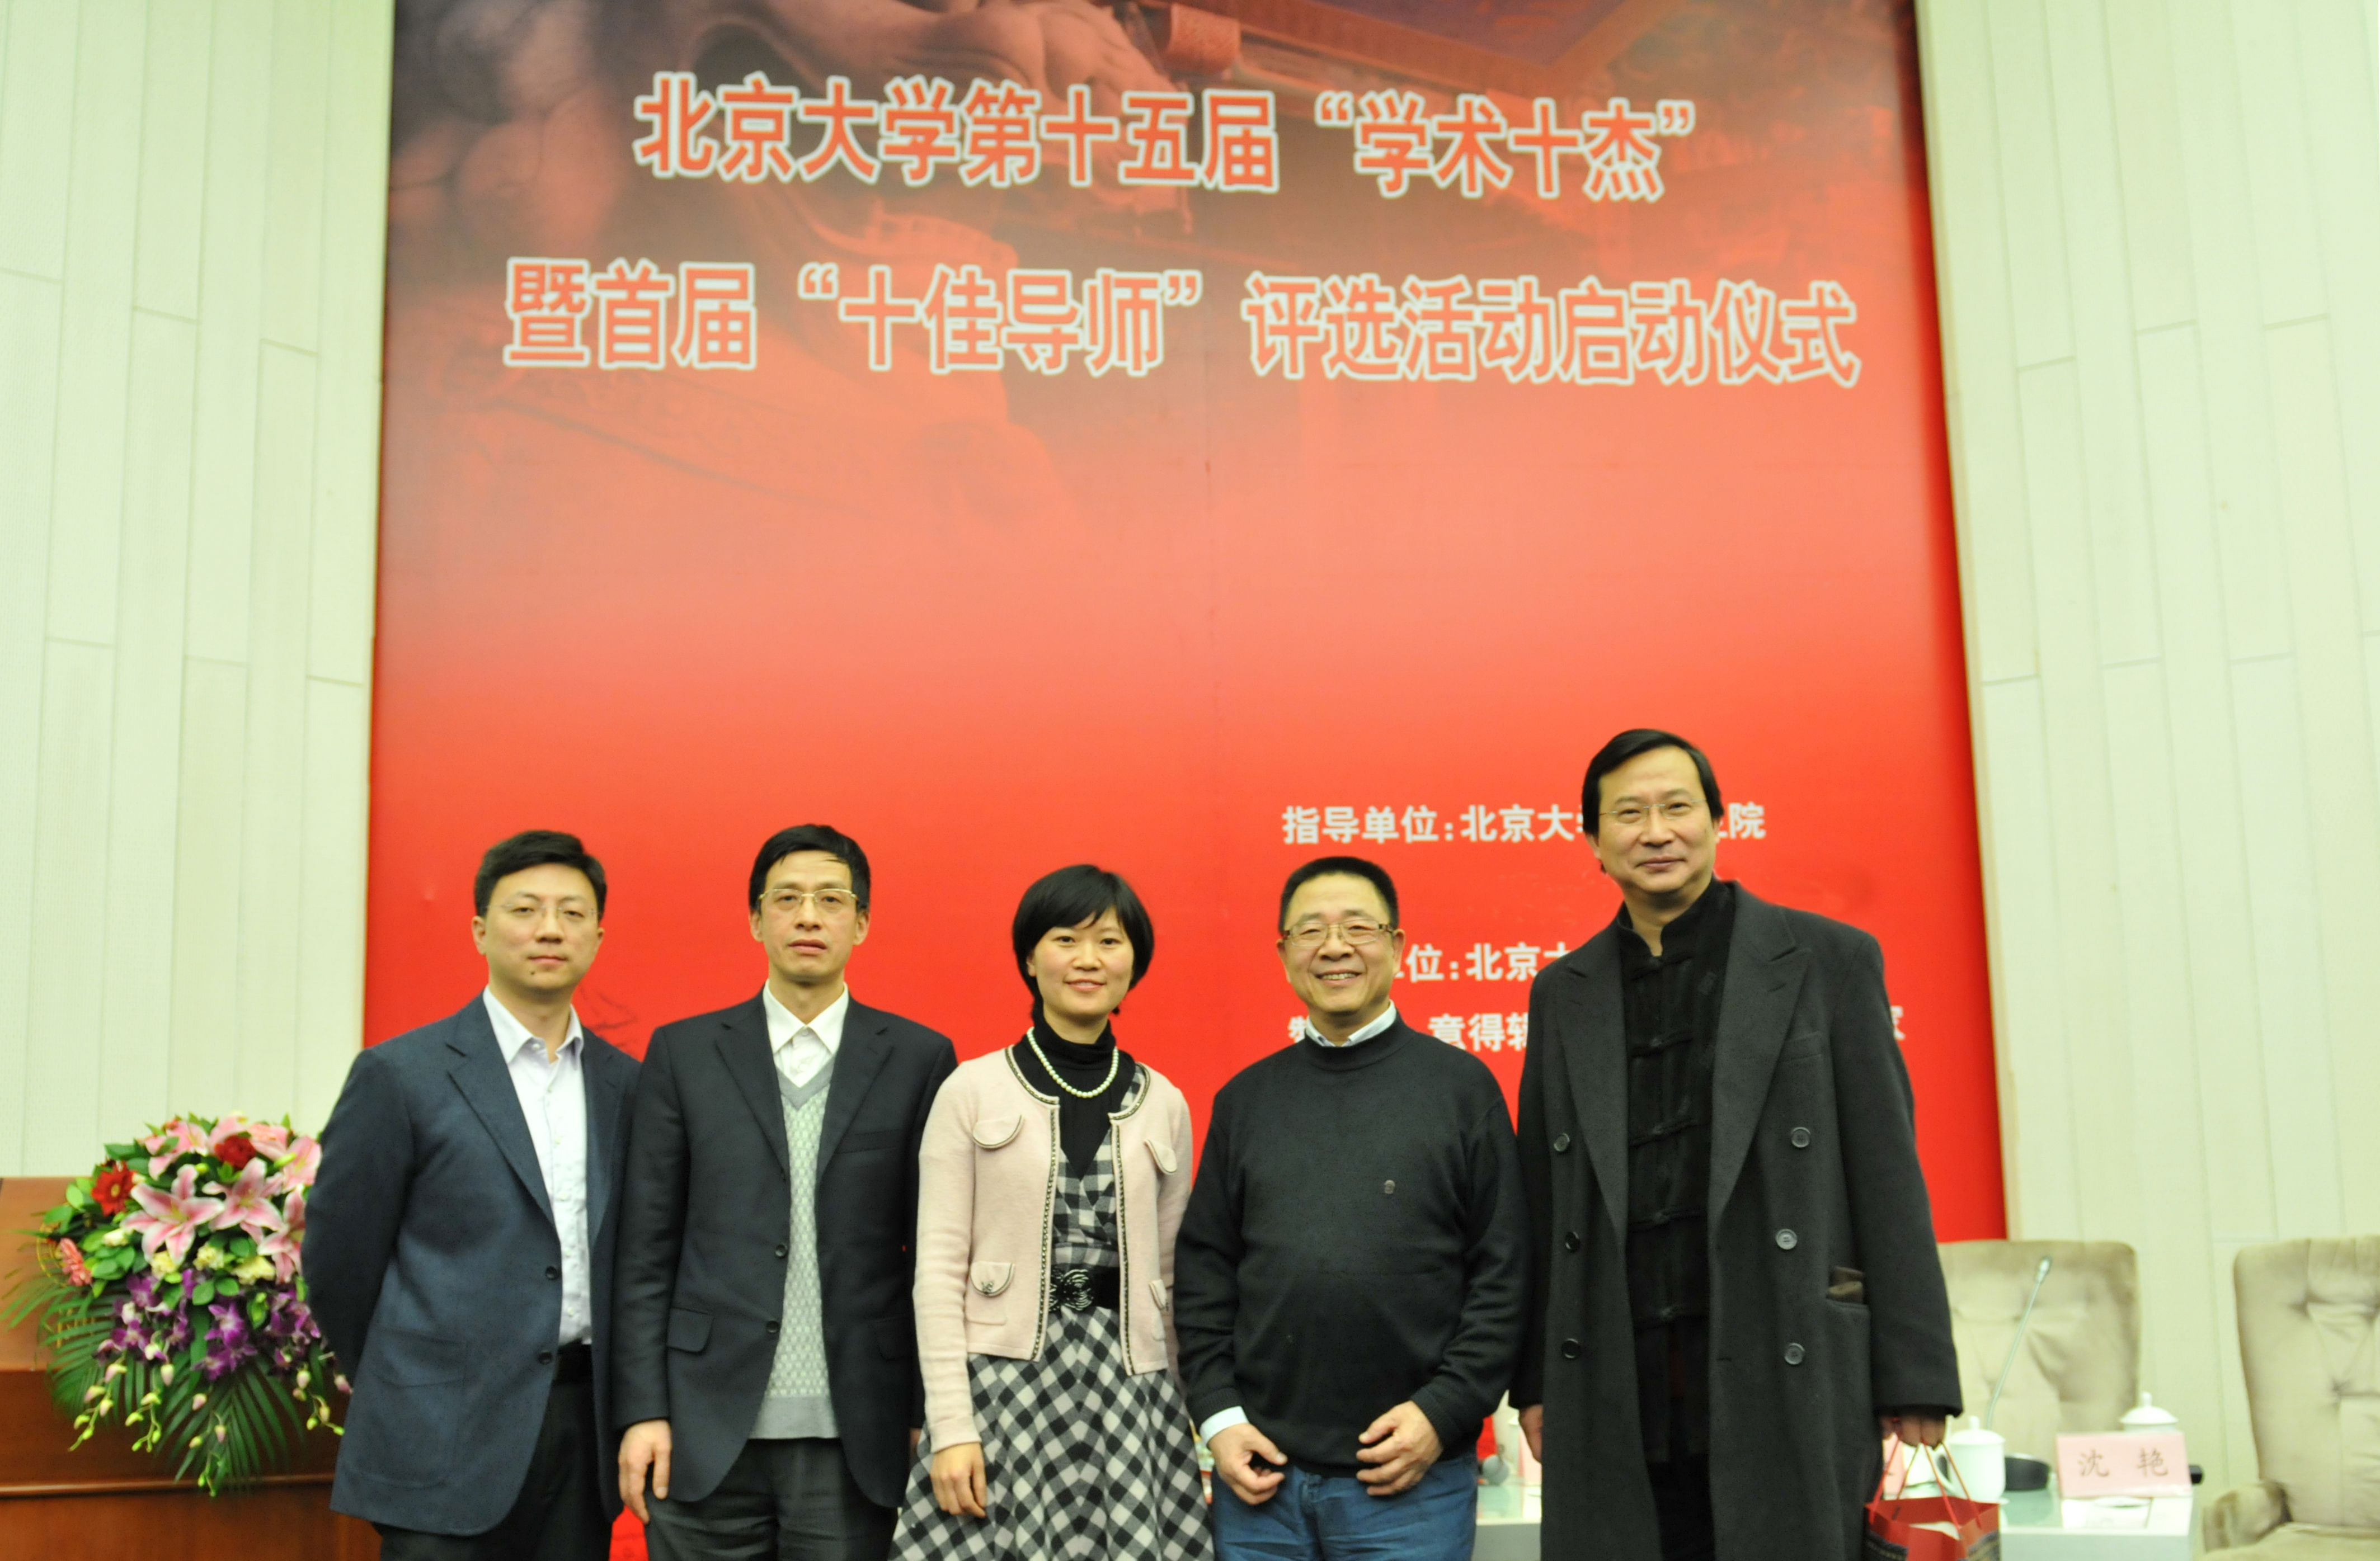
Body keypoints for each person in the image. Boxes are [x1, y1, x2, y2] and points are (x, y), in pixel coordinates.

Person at [1512, 729, 1962, 1561]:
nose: (1656, 831)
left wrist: (1916, 1375)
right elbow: (1544, 1200)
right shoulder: (1562, 991)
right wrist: (1537, 1381)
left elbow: (1888, 1173)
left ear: (1719, 821)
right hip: (1619, 1378)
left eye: (1677, 807)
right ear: (1594, 841)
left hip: (1784, 1359)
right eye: (1629, 814)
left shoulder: (1826, 959)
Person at [613, 824, 958, 1560]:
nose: (808, 916)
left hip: (856, 1433)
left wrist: (925, 1410)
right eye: (787, 898)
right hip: (701, 1427)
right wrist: (642, 1410)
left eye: (831, 899)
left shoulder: (918, 1058)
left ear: (861, 923)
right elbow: (645, 1251)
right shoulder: (684, 1053)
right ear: (755, 918)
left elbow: (932, 1257)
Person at [1173, 856, 1526, 1561]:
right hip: (1262, 1485)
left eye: (1358, 927)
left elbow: (1506, 1275)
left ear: (1398, 946)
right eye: (1311, 930)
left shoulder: (1462, 1089)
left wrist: (1441, 1413)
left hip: (1412, 1484)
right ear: (1285, 954)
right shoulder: (1246, 1101)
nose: (1335, 947)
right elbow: (1205, 1272)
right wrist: (1218, 1417)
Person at [306, 831, 641, 1560]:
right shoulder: (401, 1074)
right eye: (525, 909)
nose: (550, 928)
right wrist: (409, 1381)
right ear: (481, 930)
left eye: (572, 912)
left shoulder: (628, 1084)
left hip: (581, 1431)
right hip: (437, 1434)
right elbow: (338, 1262)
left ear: (597, 936)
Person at [893, 865, 1210, 1561]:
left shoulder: (1165, 1102)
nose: (1088, 959)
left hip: (1131, 1395)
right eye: (1066, 939)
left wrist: (1190, 1416)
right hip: (1002, 1391)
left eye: (1110, 941)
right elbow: (937, 1272)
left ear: (1135, 962)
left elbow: (1173, 1276)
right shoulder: (971, 1089)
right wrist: (952, 1426)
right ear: (1030, 958)